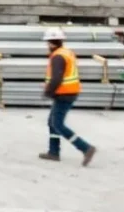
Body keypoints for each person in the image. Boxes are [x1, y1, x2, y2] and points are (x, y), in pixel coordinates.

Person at [38, 28, 96, 165]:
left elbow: (57, 78)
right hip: (69, 91)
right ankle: (53, 152)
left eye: (48, 43)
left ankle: (85, 148)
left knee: (58, 124)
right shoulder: (67, 52)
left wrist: (48, 92)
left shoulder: (58, 57)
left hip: (64, 93)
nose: (47, 45)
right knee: (52, 122)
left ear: (51, 43)